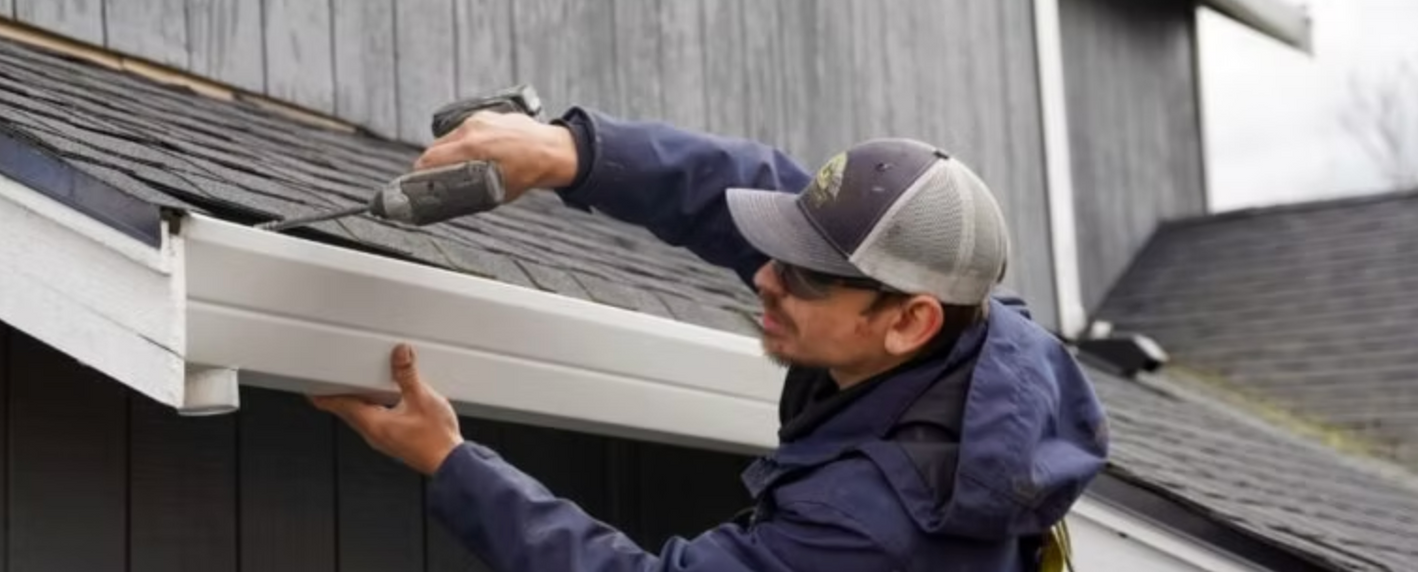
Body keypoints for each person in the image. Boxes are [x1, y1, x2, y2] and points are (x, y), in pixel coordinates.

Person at [309, 106, 1110, 571]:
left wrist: (449, 462)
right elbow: (746, 189)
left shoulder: (870, 525)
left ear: (908, 322)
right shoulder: (983, 330)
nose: (765, 277)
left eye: (804, 277)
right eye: (780, 253)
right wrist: (572, 153)